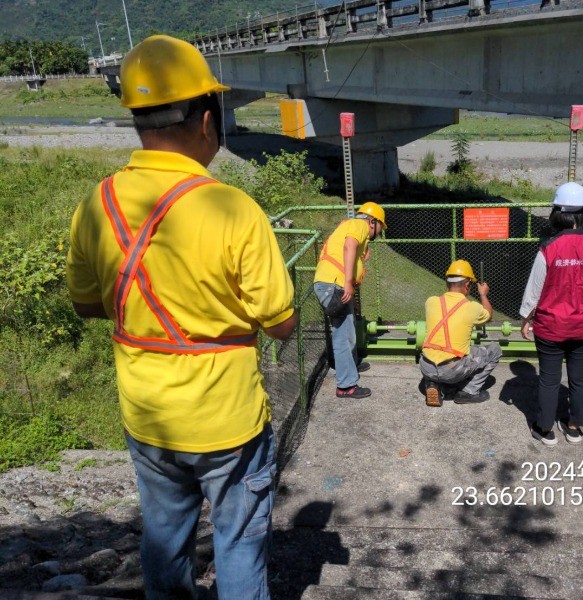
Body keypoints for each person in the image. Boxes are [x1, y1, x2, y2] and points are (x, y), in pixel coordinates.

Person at [66, 35, 296, 599]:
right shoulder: (234, 208)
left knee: (165, 537)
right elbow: (283, 322)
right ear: (207, 120)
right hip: (227, 419)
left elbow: (86, 303)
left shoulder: (98, 203)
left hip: (148, 413)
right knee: (239, 543)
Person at [519, 182, 583, 446]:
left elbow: (534, 290)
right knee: (579, 379)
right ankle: (574, 427)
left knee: (548, 380)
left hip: (551, 327)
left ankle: (544, 428)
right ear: (582, 213)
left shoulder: (548, 248)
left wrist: (526, 319)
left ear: (557, 213)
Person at [313, 202, 386, 399]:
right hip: (334, 284)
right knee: (343, 335)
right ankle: (346, 386)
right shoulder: (359, 225)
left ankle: (350, 366)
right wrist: (347, 282)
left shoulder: (353, 226)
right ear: (373, 222)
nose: (379, 232)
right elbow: (349, 245)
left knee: (348, 330)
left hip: (331, 283)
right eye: (380, 227)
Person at [419, 259, 502, 406]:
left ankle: (433, 384)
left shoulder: (430, 301)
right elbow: (488, 315)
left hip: (426, 366)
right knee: (495, 350)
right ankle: (469, 391)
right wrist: (483, 294)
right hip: (452, 369)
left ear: (447, 283)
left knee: (436, 353)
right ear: (467, 285)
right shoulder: (472, 307)